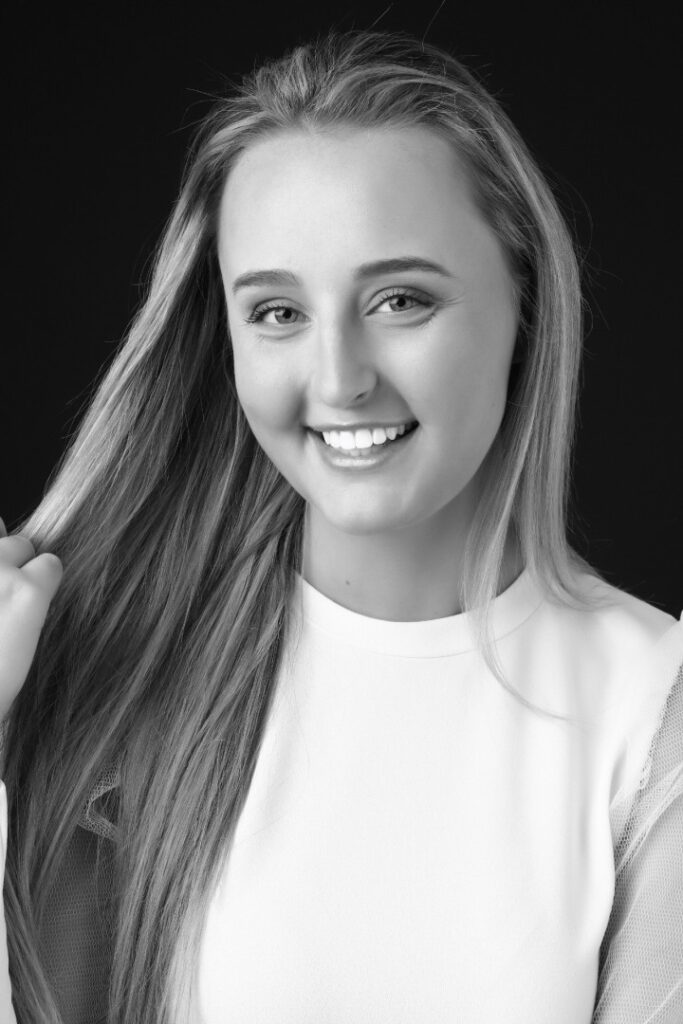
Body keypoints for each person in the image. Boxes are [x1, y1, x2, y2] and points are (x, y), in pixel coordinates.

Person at [0, 27, 681, 1024]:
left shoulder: (649, 706)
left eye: (399, 300)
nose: (337, 379)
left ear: (524, 302)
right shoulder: (109, 682)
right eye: (277, 313)